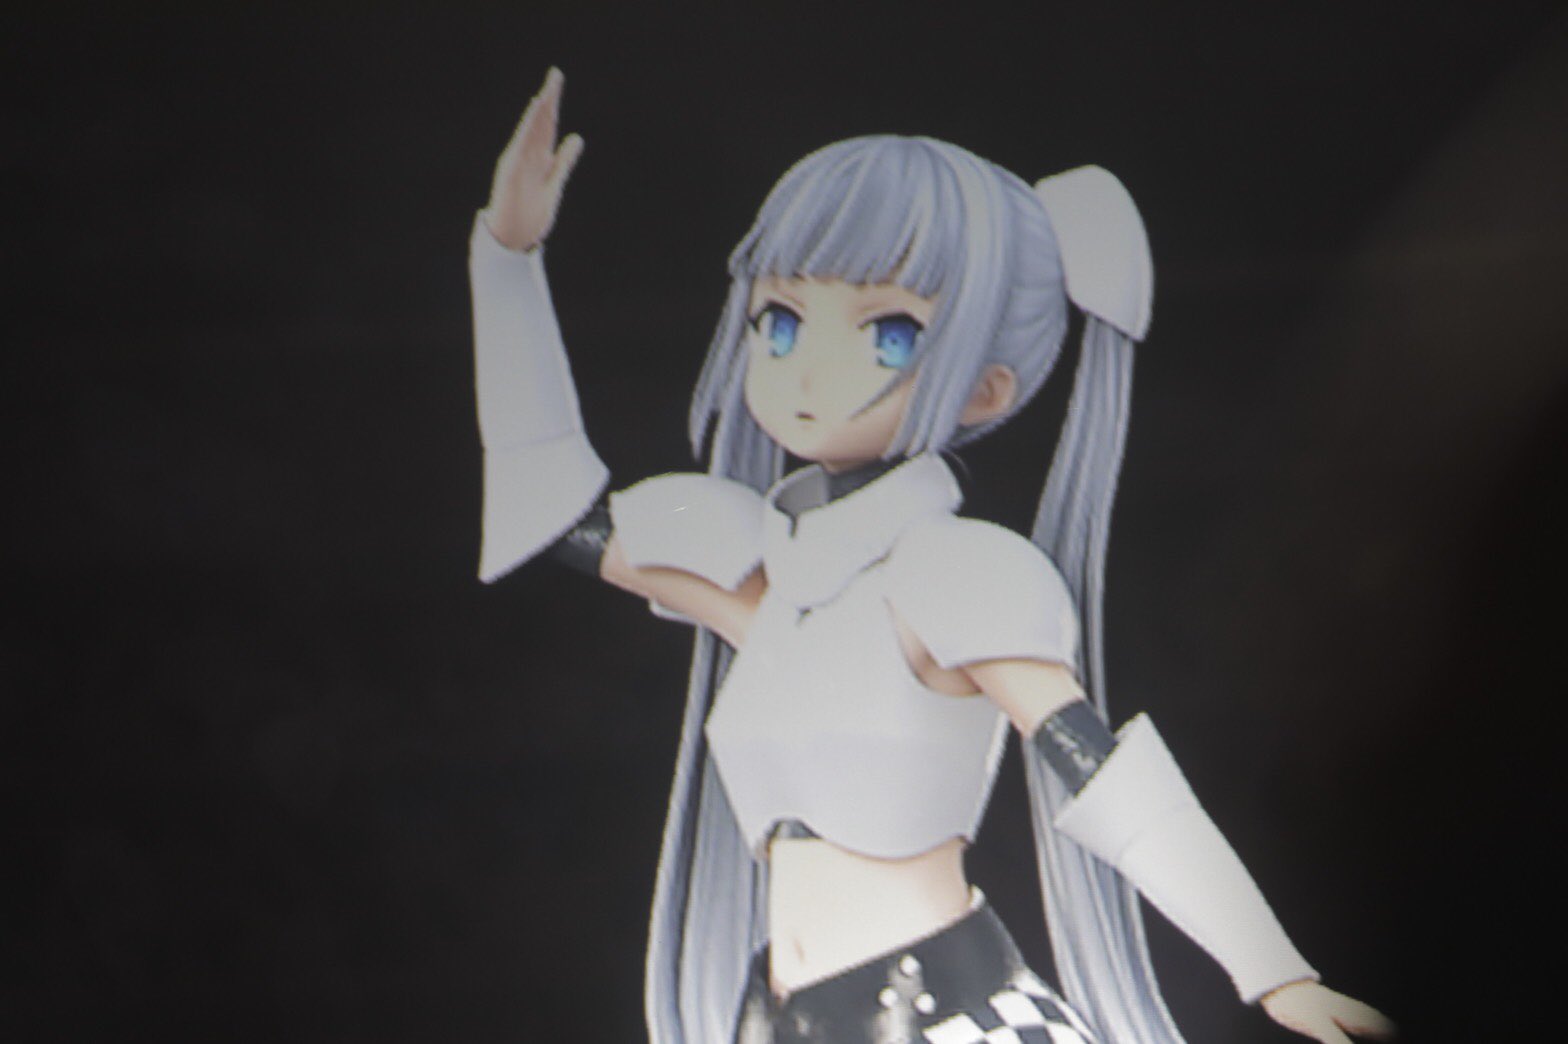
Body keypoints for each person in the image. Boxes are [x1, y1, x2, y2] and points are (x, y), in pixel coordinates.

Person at [469, 68, 1396, 1044]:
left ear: (986, 388)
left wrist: (1275, 975)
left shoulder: (951, 575)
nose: (808, 368)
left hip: (950, 1017)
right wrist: (507, 259)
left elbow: (1099, 771)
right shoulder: (762, 576)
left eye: (888, 335)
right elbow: (553, 510)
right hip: (780, 1019)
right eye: (779, 321)